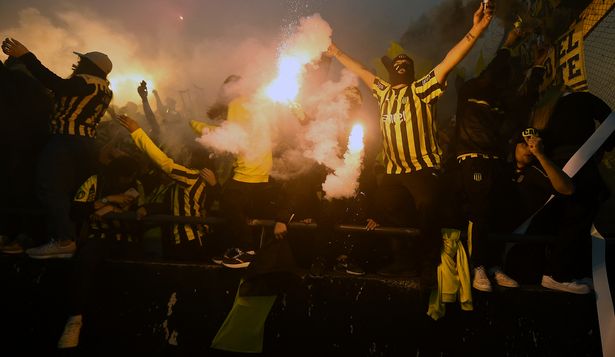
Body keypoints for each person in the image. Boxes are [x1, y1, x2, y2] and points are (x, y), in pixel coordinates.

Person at [327, 3, 494, 287]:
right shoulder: (382, 91)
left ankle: (430, 263)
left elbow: (449, 60)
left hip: (422, 168)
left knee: (428, 206)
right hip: (393, 171)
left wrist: (476, 30)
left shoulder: (423, 88)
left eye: (406, 66)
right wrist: (334, 51)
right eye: (398, 65)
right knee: (384, 206)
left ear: (411, 71)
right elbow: (362, 69)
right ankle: (402, 261)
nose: (401, 67)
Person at [451, 28, 547, 292]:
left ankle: (493, 265)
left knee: (498, 210)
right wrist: (508, 44)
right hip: (472, 159)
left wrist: (538, 67)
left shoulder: (500, 103)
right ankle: (477, 266)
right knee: (480, 208)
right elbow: (492, 74)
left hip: (494, 162)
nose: (503, 80)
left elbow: (524, 104)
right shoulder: (469, 91)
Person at [2, 37, 113, 258]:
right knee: (62, 192)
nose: (77, 65)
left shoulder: (86, 81)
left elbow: (54, 83)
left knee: (49, 188)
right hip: (85, 143)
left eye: (82, 62)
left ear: (90, 66)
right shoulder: (105, 89)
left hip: (66, 141)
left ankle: (63, 240)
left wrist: (26, 55)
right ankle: (56, 237)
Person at [57, 156, 144, 349]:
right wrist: (108, 200)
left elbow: (135, 212)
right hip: (98, 239)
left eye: (130, 177)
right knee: (84, 261)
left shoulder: (136, 185)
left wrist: (109, 208)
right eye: (124, 177)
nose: (127, 181)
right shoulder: (95, 181)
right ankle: (75, 320)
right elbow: (76, 210)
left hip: (126, 241)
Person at [494, 128, 594, 294]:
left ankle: (560, 274)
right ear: (514, 146)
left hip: (524, 247)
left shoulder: (537, 171)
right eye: (525, 144)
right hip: (498, 244)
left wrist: (540, 155)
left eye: (534, 144)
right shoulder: (501, 170)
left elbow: (568, 189)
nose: (530, 148)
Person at [116, 114, 219, 260]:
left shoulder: (191, 177)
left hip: (191, 240)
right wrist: (149, 208)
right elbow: (169, 206)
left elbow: (165, 164)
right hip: (177, 240)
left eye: (186, 153)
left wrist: (138, 132)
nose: (181, 155)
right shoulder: (183, 180)